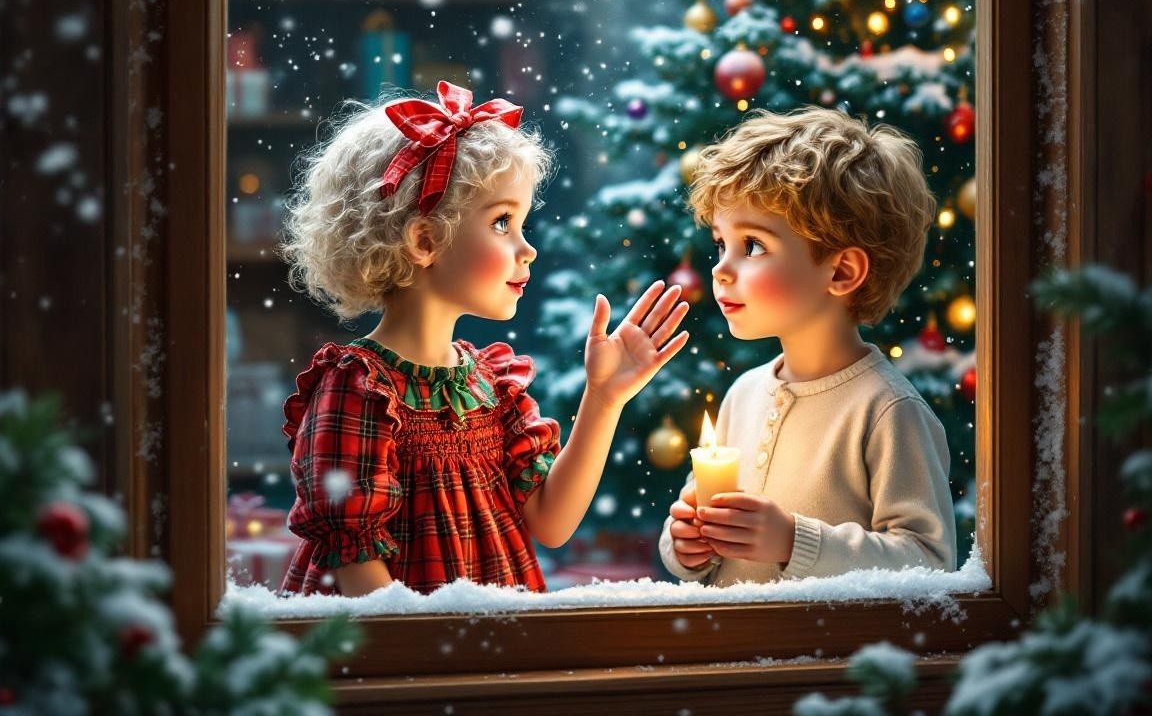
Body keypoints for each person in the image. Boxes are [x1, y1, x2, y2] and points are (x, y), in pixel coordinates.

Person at [275, 81, 689, 597]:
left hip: (492, 651)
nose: (527, 249)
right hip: (412, 663)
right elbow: (360, 575)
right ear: (424, 240)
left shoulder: (492, 385)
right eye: (502, 222)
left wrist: (604, 398)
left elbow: (552, 523)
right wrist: (448, 662)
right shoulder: (357, 392)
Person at [660, 106, 956, 586]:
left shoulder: (887, 410)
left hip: (821, 660)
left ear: (841, 272)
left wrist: (794, 543)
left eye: (752, 246)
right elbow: (694, 535)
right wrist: (685, 546)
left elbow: (929, 562)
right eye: (720, 244)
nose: (720, 269)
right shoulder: (743, 394)